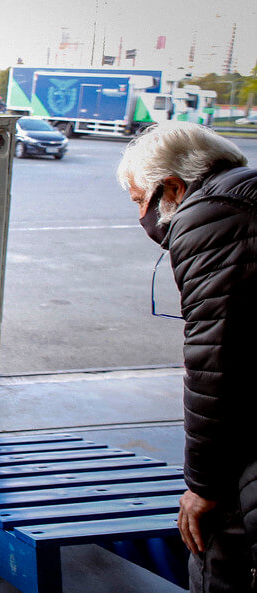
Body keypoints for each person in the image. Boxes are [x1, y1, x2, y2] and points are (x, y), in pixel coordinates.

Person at [116, 121, 257, 592]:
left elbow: (215, 365)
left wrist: (203, 486)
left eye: (140, 200)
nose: (141, 216)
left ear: (172, 187)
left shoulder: (208, 218)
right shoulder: (246, 195)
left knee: (219, 552)